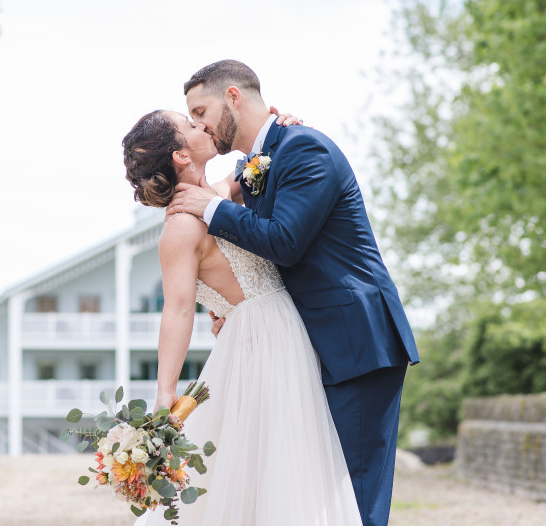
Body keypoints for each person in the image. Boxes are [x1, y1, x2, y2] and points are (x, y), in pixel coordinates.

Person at [166, 60, 420, 526]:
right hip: (309, 346)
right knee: (316, 498)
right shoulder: (258, 162)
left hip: (356, 343)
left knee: (355, 499)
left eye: (201, 111)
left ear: (234, 97)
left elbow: (285, 241)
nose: (199, 124)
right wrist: (235, 308)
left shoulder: (306, 149)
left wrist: (213, 206)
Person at [122, 109, 362, 525]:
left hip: (282, 328)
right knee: (270, 466)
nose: (204, 127)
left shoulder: (214, 195)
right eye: (192, 125)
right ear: (181, 155)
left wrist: (284, 126)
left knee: (282, 466)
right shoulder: (180, 229)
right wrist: (165, 392)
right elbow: (177, 308)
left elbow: (255, 163)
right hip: (261, 342)